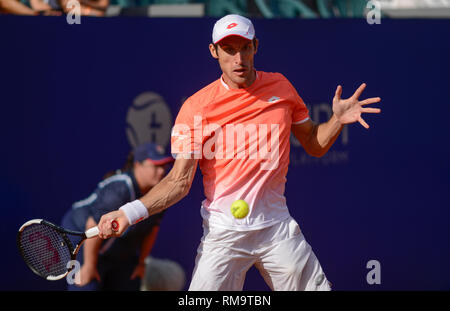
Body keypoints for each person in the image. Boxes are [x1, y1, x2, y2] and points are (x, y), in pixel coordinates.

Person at [97, 14, 382, 291]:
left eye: (245, 48)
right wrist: (128, 212)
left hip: (276, 228)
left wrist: (336, 121)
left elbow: (313, 144)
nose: (239, 59)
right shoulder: (196, 108)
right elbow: (179, 182)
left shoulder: (281, 88)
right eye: (229, 50)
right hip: (224, 232)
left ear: (255, 46)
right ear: (214, 51)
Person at [61, 142, 174, 290]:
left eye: (164, 166)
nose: (161, 171)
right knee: (86, 286)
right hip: (83, 239)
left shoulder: (159, 195)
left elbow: (151, 230)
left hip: (119, 245)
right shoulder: (119, 189)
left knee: (130, 283)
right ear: (137, 165)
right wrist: (89, 266)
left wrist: (141, 263)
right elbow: (92, 224)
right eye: (155, 165)